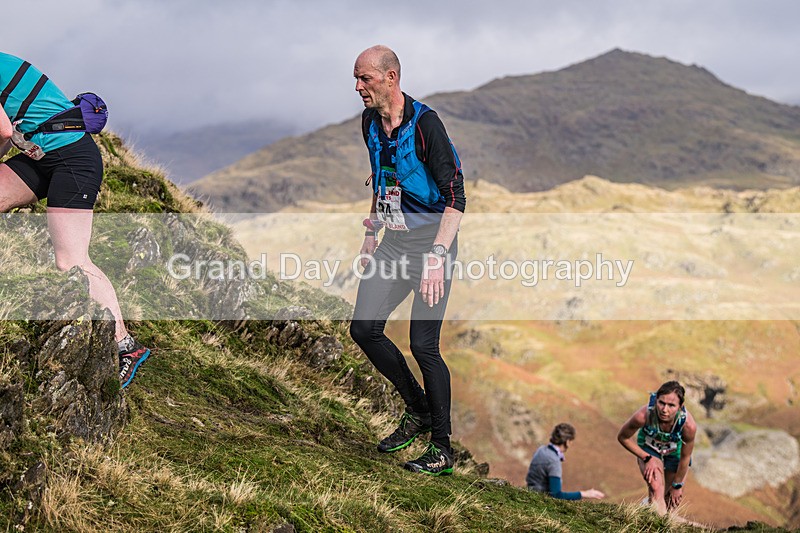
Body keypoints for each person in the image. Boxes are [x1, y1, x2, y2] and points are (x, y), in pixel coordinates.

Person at [349, 45, 466, 475]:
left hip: (432, 246)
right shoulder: (369, 123)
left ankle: (442, 448)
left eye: (365, 79)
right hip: (394, 244)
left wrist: (437, 257)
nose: (358, 87)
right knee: (363, 328)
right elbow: (382, 177)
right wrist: (369, 234)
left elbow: (456, 196)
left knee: (424, 346)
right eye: (356, 79)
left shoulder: (426, 125)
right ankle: (417, 409)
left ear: (391, 77)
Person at [0, 52, 150, 389]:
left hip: (72, 159)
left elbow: (3, 130)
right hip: (39, 155)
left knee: (71, 261)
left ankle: (126, 346)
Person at [617, 381, 697, 515]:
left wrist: (677, 485)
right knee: (656, 489)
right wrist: (646, 457)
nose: (664, 410)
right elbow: (623, 437)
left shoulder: (688, 426)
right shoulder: (644, 415)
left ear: (680, 406)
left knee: (670, 503)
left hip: (674, 453)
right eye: (661, 403)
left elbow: (685, 457)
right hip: (649, 449)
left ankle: (648, 511)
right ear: (656, 401)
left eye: (671, 405)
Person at [526, 423, 606, 500]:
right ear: (567, 442)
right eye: (571, 441)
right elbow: (556, 495)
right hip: (540, 500)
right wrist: (584, 494)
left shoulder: (541, 450)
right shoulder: (553, 461)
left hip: (531, 495)